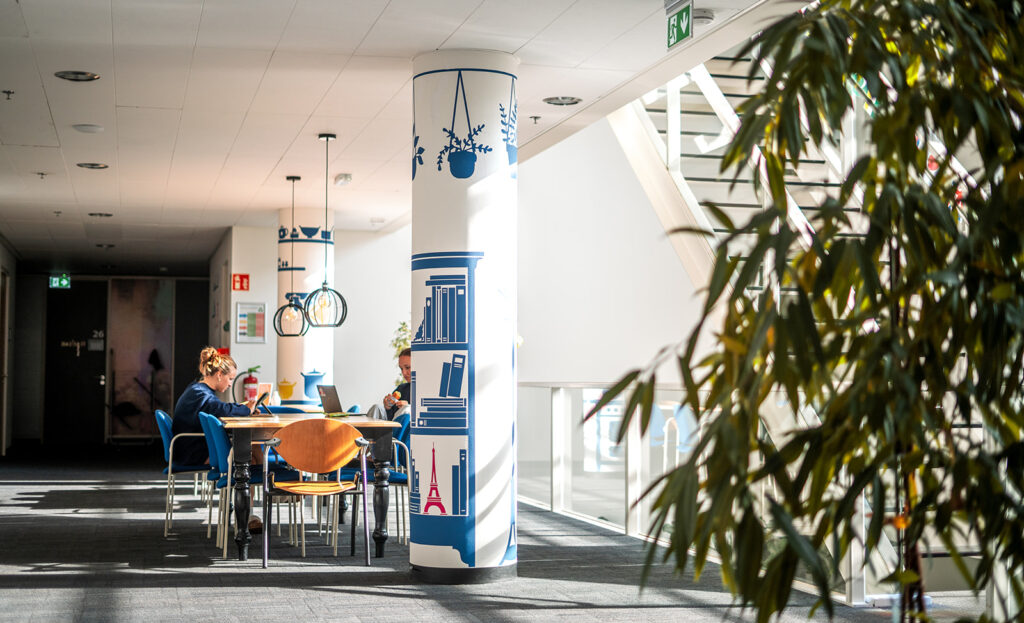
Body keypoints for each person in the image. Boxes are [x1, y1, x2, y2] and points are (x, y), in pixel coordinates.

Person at [171, 347, 257, 466]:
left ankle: (253, 483)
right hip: (192, 453)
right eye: (230, 379)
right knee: (252, 454)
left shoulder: (198, 389)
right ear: (219, 375)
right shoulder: (200, 394)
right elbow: (221, 409)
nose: (230, 385)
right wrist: (247, 409)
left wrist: (241, 407)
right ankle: (261, 482)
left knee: (251, 450)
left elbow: (217, 408)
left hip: (190, 447)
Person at [382, 347, 412, 420]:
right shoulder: (401, 389)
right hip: (393, 429)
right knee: (376, 407)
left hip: (411, 430)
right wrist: (388, 407)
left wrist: (409, 409)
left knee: (407, 409)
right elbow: (389, 420)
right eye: (401, 368)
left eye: (407, 367)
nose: (403, 373)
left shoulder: (429, 391)